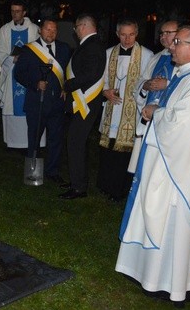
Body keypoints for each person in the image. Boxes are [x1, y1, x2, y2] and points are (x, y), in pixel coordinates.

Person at [116, 24, 190, 306]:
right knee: (160, 216)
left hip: (181, 171)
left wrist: (157, 111)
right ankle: (153, 275)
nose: (171, 46)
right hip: (168, 161)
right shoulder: (187, 76)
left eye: (178, 41)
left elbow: (183, 125)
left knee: (174, 223)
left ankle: (174, 282)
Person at [97, 18, 153, 201]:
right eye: (123, 34)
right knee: (109, 149)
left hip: (132, 111)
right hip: (112, 108)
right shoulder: (107, 53)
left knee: (126, 153)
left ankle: (121, 189)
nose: (127, 39)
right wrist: (105, 91)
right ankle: (105, 185)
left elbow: (147, 82)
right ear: (117, 34)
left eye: (131, 35)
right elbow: (101, 78)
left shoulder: (147, 55)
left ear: (136, 34)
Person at [13, 17, 71, 183]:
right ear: (40, 30)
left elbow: (69, 72)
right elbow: (19, 74)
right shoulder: (29, 50)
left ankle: (53, 172)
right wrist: (35, 84)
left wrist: (66, 87)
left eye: (53, 30)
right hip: (36, 102)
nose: (50, 33)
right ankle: (33, 172)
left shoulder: (64, 49)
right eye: (47, 29)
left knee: (55, 140)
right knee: (34, 139)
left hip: (57, 104)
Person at [60, 13, 106, 199]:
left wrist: (68, 85)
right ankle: (77, 180)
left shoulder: (93, 45)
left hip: (86, 101)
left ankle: (79, 188)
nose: (75, 31)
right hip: (82, 100)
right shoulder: (90, 44)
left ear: (84, 26)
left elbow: (91, 74)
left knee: (75, 142)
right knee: (76, 142)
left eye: (76, 27)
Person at [129, 20, 179, 170]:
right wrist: (145, 86)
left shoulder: (184, 60)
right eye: (161, 33)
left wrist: (167, 84)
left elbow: (186, 86)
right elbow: (140, 82)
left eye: (168, 33)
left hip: (168, 120)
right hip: (149, 118)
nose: (163, 36)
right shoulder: (156, 57)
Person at [0, 0, 40, 151]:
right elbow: (0, 53)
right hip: (11, 73)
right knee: (12, 105)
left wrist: (27, 60)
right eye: (13, 11)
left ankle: (29, 142)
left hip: (29, 74)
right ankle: (14, 143)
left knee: (29, 105)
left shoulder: (34, 29)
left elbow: (39, 51)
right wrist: (11, 58)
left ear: (24, 12)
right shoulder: (5, 30)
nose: (15, 14)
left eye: (18, 11)